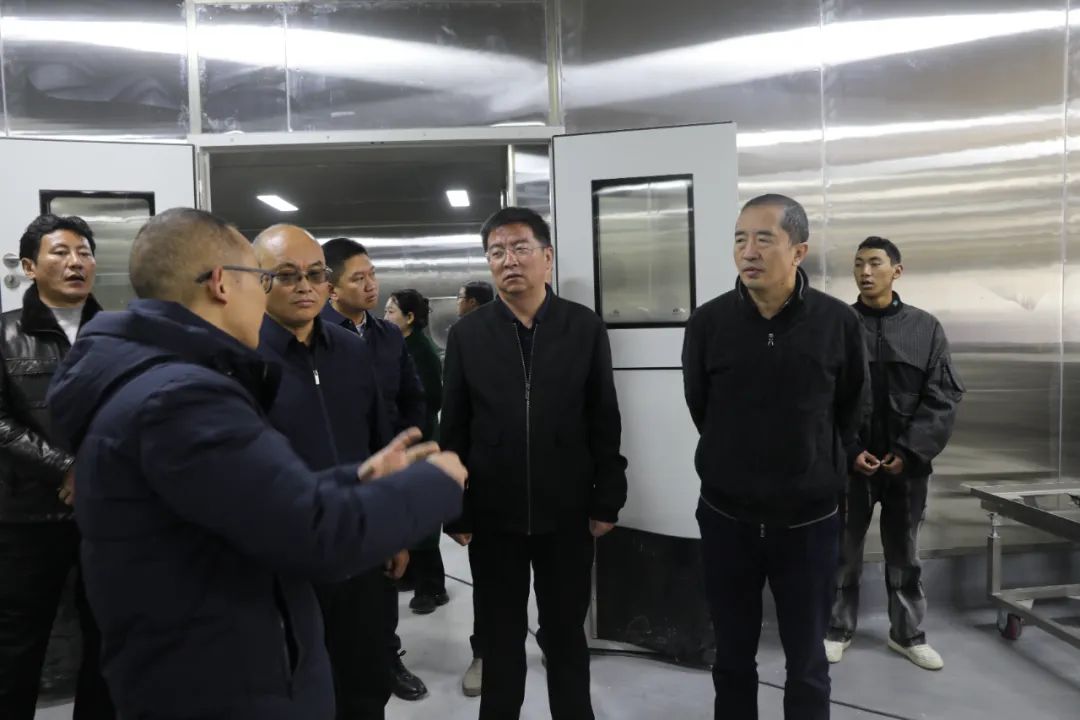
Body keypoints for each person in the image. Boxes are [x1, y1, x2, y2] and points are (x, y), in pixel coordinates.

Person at [45, 208, 466, 720]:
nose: (274, 292)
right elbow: (311, 533)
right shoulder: (181, 397)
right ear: (223, 283)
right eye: (264, 277)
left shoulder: (161, 378)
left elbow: (247, 498)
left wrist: (356, 479)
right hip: (216, 677)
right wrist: (434, 484)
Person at [682, 194, 868, 720]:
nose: (749, 251)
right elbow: (701, 406)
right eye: (740, 239)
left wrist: (814, 464)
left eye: (764, 239)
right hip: (727, 519)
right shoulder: (709, 323)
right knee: (732, 657)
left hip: (808, 523)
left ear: (798, 250)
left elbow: (851, 408)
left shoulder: (836, 322)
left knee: (807, 661)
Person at [441, 207, 628, 720]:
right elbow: (453, 426)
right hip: (493, 513)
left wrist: (607, 495)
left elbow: (604, 415)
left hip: (566, 511)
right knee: (500, 636)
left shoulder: (583, 327)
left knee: (565, 633)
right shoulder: (468, 335)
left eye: (520, 248)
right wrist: (454, 508)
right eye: (497, 252)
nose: (509, 260)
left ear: (547, 257)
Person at [254, 224, 408, 720]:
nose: (304, 286)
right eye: (287, 275)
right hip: (283, 561)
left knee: (365, 682)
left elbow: (380, 440)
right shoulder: (240, 356)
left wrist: (393, 528)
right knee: (295, 689)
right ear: (257, 280)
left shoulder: (352, 350)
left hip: (359, 546)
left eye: (315, 274)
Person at [824, 236, 964, 671]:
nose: (865, 272)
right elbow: (823, 395)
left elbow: (942, 397)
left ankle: (907, 635)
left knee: (905, 554)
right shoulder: (838, 325)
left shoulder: (925, 328)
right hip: (852, 467)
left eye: (875, 263)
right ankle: (837, 629)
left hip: (907, 469)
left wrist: (910, 450)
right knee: (842, 551)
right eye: (858, 264)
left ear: (896, 271)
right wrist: (850, 449)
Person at [0, 214, 113, 720]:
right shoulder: (4, 334)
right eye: (61, 252)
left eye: (85, 252)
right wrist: (66, 468)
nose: (76, 262)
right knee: (17, 647)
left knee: (107, 641)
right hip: (25, 517)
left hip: (106, 515)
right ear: (29, 266)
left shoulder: (116, 333)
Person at [320, 237, 429, 701]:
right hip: (340, 472)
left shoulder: (387, 336)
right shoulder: (317, 334)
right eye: (358, 278)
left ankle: (387, 658)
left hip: (388, 472)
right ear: (331, 288)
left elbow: (412, 397)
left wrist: (408, 448)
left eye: (372, 275)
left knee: (386, 574)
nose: (370, 285)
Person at [385, 289, 447, 616]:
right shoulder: (397, 345)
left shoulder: (421, 349)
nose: (385, 317)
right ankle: (412, 575)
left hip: (420, 439)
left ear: (409, 318)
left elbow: (432, 397)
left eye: (391, 311)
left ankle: (432, 586)